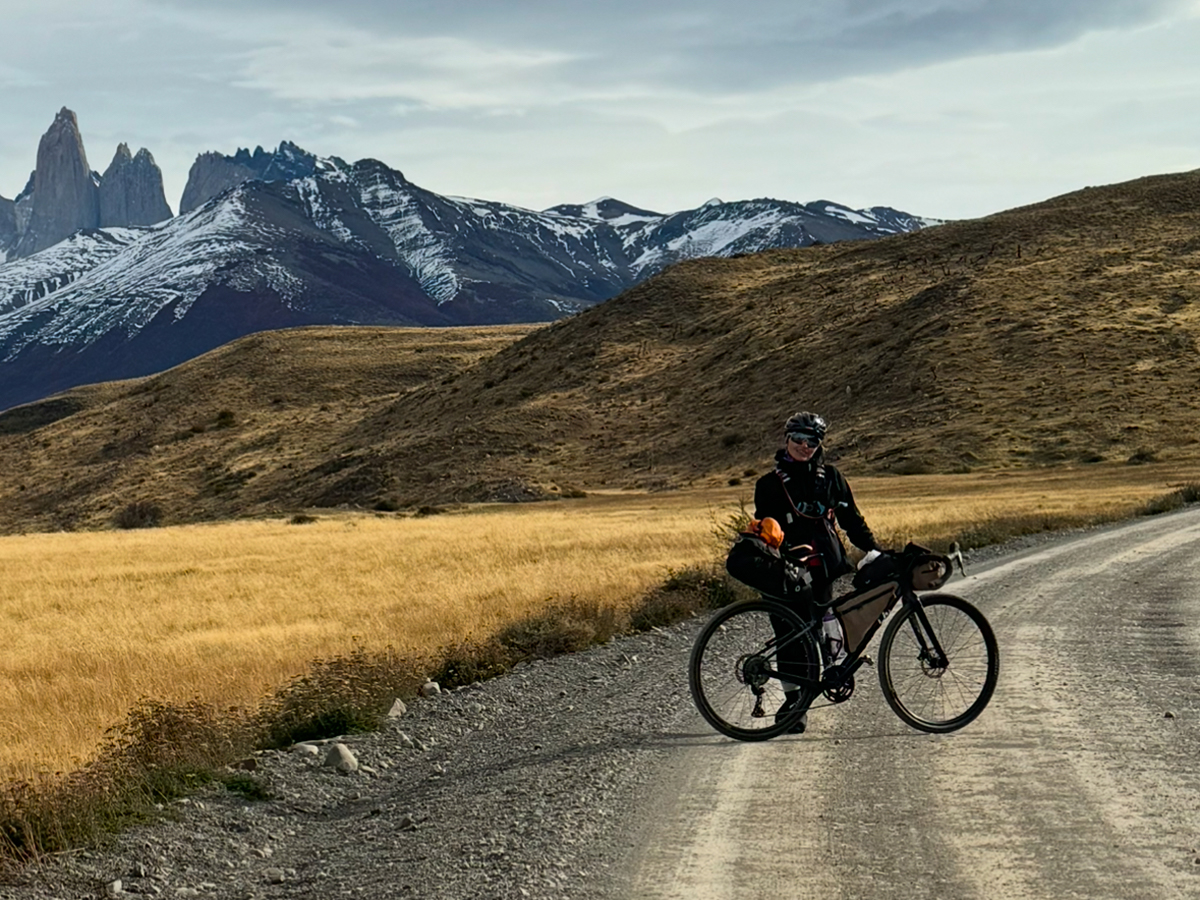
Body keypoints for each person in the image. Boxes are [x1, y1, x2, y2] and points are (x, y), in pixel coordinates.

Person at [753, 411, 882, 733]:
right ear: (787, 439)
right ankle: (794, 702)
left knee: (817, 633)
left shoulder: (832, 478)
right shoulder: (768, 485)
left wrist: (874, 550)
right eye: (799, 439)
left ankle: (804, 699)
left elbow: (852, 519)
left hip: (822, 566)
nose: (805, 446)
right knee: (788, 637)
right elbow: (766, 532)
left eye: (813, 441)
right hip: (784, 570)